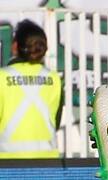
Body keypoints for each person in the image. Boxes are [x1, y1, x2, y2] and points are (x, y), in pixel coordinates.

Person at [0, 19, 63, 159]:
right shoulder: (54, 78)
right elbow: (56, 122)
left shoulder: (2, 77)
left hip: (6, 161)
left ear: (15, 46)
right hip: (47, 160)